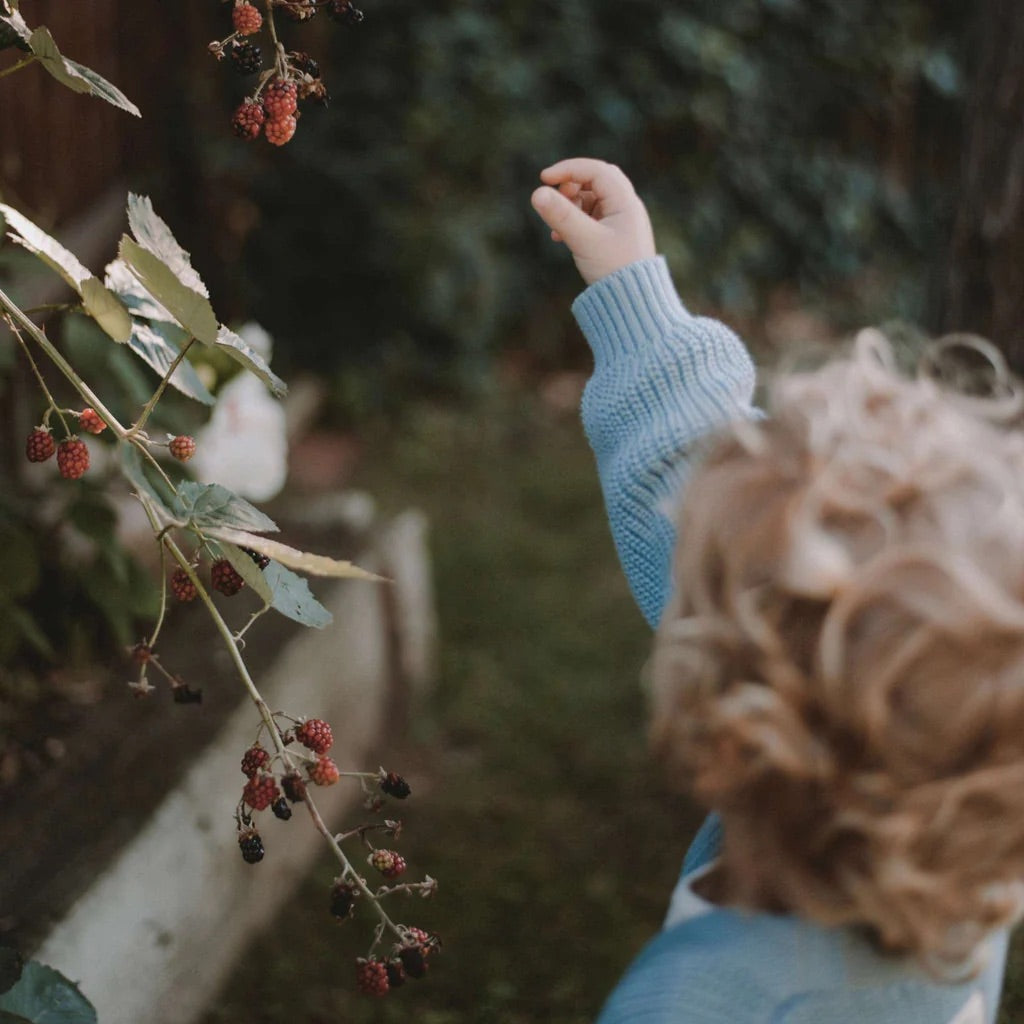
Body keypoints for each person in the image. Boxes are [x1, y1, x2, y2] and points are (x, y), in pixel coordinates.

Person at [530, 157, 1024, 1023]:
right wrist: (636, 300)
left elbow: (725, 545)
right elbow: (736, 547)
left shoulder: (690, 1004)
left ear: (732, 716)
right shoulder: (970, 865)